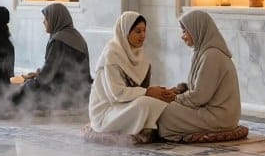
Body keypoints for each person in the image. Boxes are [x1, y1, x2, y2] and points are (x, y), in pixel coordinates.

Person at [157, 10, 241, 141]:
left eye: (185, 31)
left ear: (197, 29)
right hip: (209, 111)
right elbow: (196, 90)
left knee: (165, 112)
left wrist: (175, 98)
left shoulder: (212, 56)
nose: (182, 36)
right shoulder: (203, 53)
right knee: (163, 107)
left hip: (219, 116)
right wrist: (178, 92)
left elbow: (200, 97)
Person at [89, 12, 174, 134]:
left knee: (159, 101)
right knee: (144, 103)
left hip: (127, 105)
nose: (143, 35)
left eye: (144, 31)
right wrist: (147, 92)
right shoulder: (112, 55)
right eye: (138, 31)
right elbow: (117, 94)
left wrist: (161, 92)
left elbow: (143, 88)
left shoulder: (139, 54)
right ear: (125, 32)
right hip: (108, 112)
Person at [12, 3, 92, 113]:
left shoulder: (59, 40)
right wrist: (38, 74)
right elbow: (62, 68)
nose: (43, 22)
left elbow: (46, 77)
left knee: (24, 89)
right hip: (82, 94)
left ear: (55, 19)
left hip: (64, 95)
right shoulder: (76, 36)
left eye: (46, 18)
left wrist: (28, 84)